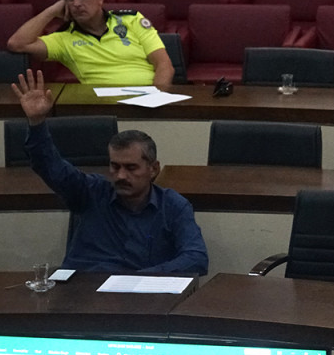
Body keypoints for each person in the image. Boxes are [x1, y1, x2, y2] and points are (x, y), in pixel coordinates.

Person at [11, 69, 206, 275]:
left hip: (139, 290)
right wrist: (37, 123)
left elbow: (196, 259)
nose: (120, 176)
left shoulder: (173, 206)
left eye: (131, 168)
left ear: (153, 169)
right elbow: (49, 166)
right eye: (115, 166)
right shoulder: (90, 192)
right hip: (83, 288)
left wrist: (137, 279)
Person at [6, 0, 174, 88]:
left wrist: (155, 100)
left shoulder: (132, 20)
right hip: (105, 107)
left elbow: (164, 65)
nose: (76, 3)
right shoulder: (64, 38)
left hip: (149, 100)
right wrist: (52, 11)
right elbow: (17, 44)